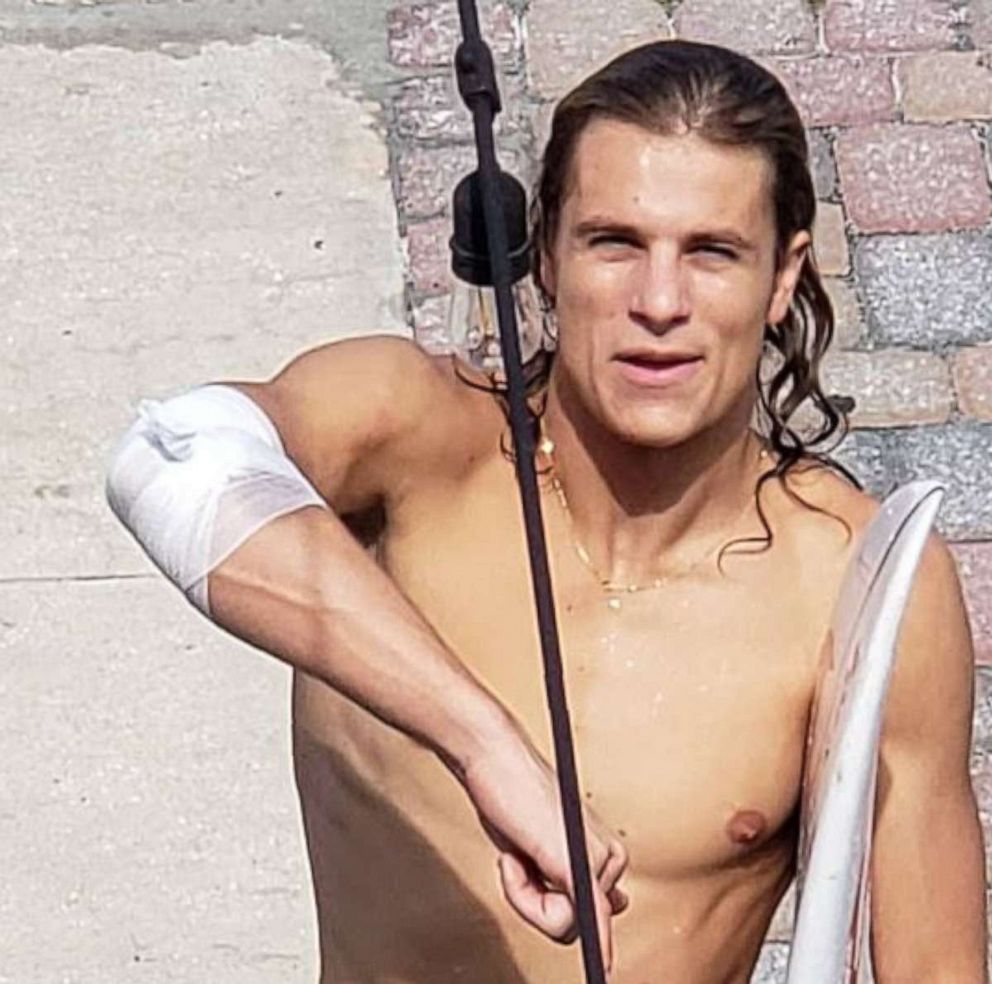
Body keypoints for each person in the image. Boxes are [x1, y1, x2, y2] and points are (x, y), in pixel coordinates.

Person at [106, 39, 987, 984]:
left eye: (711, 254)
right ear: (547, 260)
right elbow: (169, 462)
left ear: (782, 277)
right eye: (615, 243)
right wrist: (488, 748)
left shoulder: (848, 581)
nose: (659, 302)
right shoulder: (410, 443)